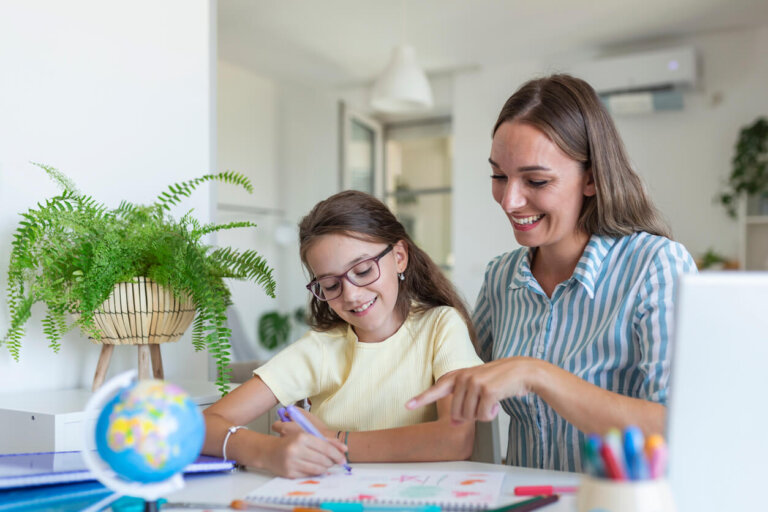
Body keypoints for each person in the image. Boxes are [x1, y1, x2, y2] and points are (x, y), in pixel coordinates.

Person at [406, 73, 697, 472]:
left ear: (592, 178)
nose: (509, 200)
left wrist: (536, 374)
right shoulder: (501, 279)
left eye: (536, 180)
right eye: (498, 176)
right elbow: (458, 390)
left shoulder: (656, 266)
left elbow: (679, 427)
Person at [202, 190, 482, 478]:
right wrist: (268, 451)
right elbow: (205, 425)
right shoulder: (320, 349)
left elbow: (455, 439)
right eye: (331, 285)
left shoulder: (441, 327)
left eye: (362, 271)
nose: (351, 295)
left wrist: (334, 440)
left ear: (399, 257)